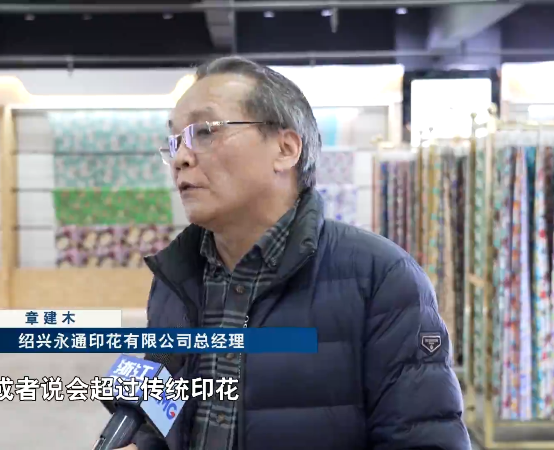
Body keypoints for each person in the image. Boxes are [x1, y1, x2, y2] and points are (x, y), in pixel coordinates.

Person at [118, 56, 470, 450]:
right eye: (175, 140)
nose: (181, 158)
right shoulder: (174, 279)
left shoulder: (382, 279)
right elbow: (156, 414)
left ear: (285, 149)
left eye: (204, 132)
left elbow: (426, 439)